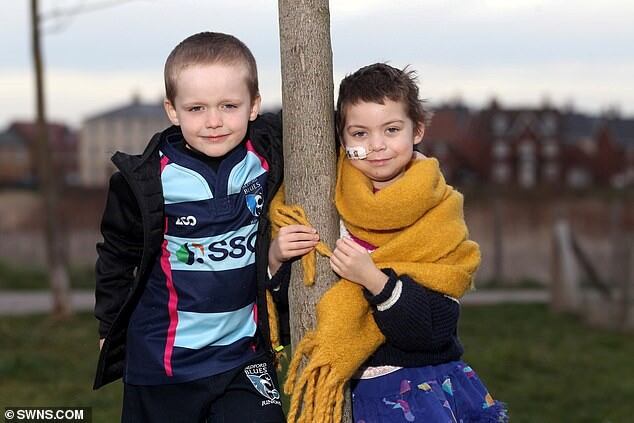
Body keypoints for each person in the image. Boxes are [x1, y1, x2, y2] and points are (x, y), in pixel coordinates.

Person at [93, 31, 316, 423]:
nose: (214, 122)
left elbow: (335, 124)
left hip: (242, 359)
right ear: (172, 110)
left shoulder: (266, 154)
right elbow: (115, 256)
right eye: (196, 109)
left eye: (229, 105)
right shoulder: (146, 181)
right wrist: (108, 328)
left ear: (254, 106)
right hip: (163, 368)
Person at [283, 63, 507, 423]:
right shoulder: (329, 198)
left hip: (420, 389)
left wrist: (374, 280)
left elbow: (436, 327)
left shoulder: (438, 211)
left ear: (417, 130)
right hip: (353, 392)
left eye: (391, 129)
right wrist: (277, 256)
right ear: (341, 139)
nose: (376, 146)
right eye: (359, 133)